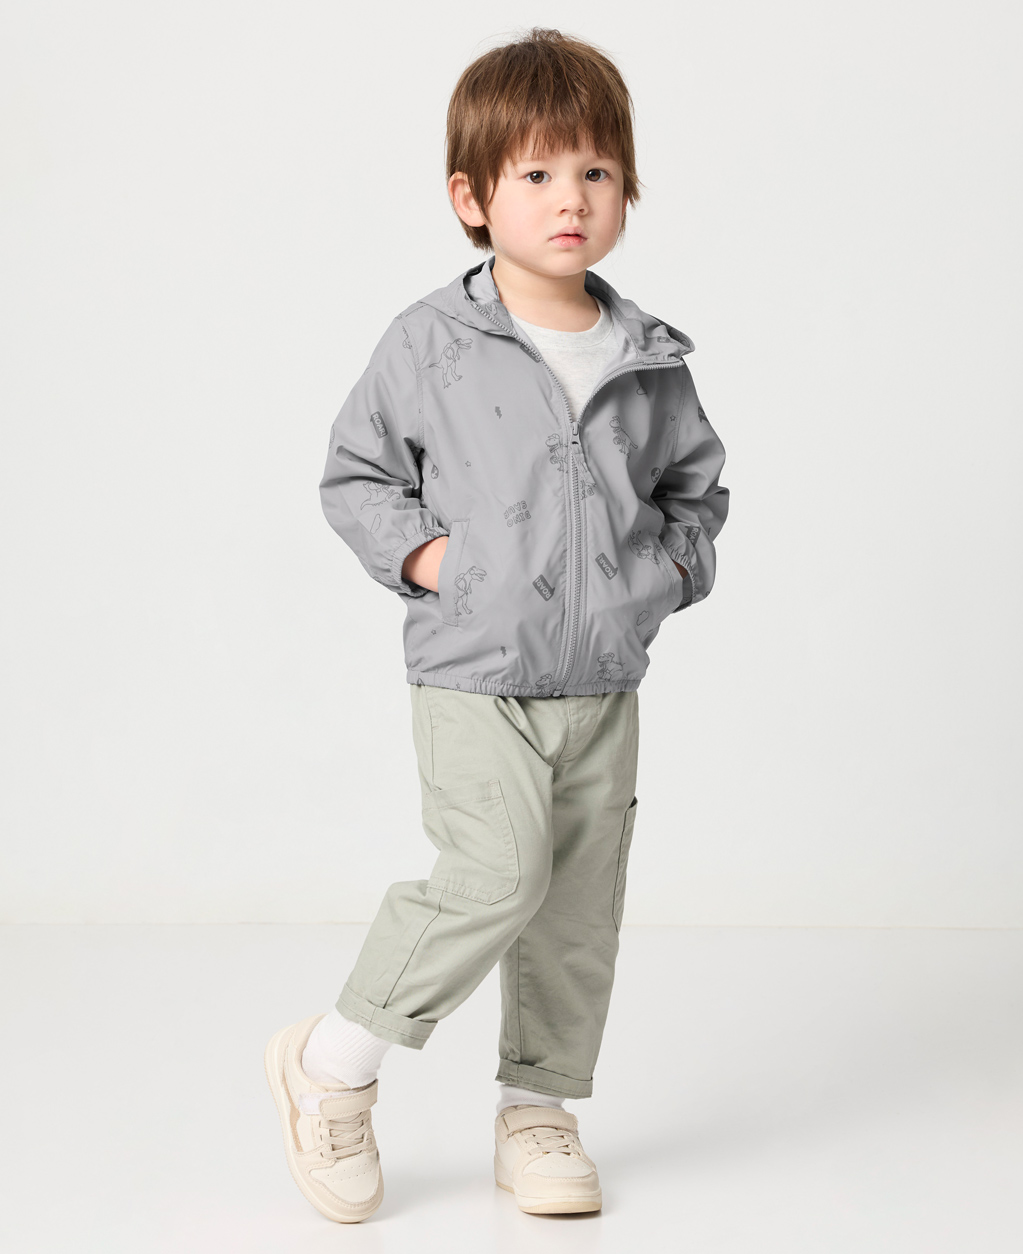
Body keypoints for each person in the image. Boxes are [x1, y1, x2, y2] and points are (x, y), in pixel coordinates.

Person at [265, 26, 729, 1223]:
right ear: (471, 198)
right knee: (498, 872)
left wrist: (659, 577)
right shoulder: (431, 343)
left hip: (602, 681)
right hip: (474, 673)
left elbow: (696, 493)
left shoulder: (649, 359)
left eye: (594, 171)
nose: (570, 198)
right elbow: (358, 475)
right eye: (536, 173)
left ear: (626, 187)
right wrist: (433, 560)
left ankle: (539, 1110)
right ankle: (332, 1065)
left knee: (576, 908)